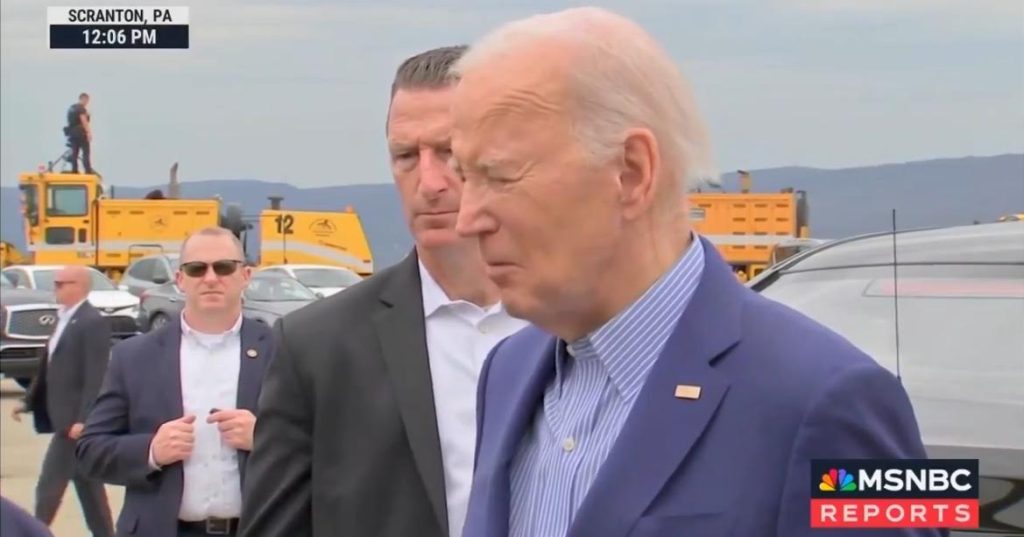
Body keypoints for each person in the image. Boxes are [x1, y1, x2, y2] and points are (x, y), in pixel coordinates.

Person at [449, 8, 943, 537]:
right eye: (464, 178)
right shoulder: (507, 372)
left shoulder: (840, 396)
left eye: (500, 176)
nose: (466, 220)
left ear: (631, 172)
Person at [239, 46, 529, 537]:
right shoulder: (318, 348)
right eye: (406, 156)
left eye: (448, 152)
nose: (429, 183)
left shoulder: (584, 324)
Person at [75, 227, 275, 537]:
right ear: (180, 280)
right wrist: (151, 450)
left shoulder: (281, 352)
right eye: (197, 269)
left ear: (246, 275)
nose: (211, 278)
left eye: (224, 267)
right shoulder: (134, 356)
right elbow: (90, 451)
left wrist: (265, 438)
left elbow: (321, 446)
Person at [11, 265, 114, 537]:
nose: (55, 289)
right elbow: (49, 367)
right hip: (64, 418)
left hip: (72, 425)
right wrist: (28, 402)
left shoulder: (92, 322)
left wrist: (84, 419)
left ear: (80, 286)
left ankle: (32, 532)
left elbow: (96, 375)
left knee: (48, 486)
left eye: (60, 284)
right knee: (89, 488)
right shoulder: (64, 319)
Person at [64, 92, 94, 174]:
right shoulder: (81, 109)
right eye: (87, 101)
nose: (87, 103)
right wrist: (88, 133)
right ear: (84, 99)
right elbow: (84, 121)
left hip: (72, 133)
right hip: (81, 133)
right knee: (86, 152)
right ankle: (88, 170)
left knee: (75, 152)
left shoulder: (71, 108)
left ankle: (74, 170)